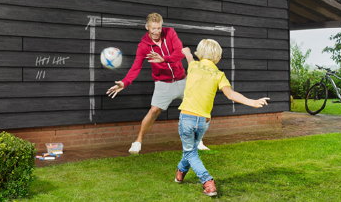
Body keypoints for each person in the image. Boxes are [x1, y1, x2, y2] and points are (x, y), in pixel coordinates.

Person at [175, 39, 269, 197]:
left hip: (187, 117)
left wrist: (187, 53)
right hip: (203, 121)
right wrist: (251, 102)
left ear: (201, 52)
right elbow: (231, 94)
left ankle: (207, 182)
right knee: (190, 150)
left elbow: (190, 58)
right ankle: (180, 173)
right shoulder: (219, 74)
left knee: (190, 152)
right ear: (217, 55)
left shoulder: (194, 66)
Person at [106, 13, 210, 154]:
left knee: (200, 108)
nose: (156, 31)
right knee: (154, 111)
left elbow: (180, 53)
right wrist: (124, 83)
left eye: (159, 28)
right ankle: (138, 141)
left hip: (182, 79)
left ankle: (198, 141)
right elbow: (136, 67)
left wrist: (164, 59)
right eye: (153, 28)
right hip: (163, 83)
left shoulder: (170, 33)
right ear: (147, 27)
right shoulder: (143, 46)